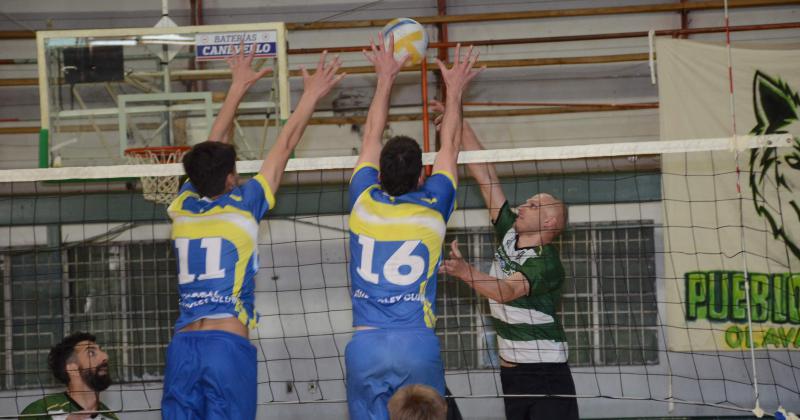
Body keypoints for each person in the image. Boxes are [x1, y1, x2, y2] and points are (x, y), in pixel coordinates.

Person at [160, 44, 344, 419]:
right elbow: (287, 142)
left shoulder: (183, 206)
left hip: (183, 345)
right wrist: (310, 95)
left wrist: (236, 87)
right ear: (231, 179)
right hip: (226, 345)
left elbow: (211, 146)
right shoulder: (245, 205)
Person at [344, 31, 483, 420]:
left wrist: (385, 77)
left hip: (366, 344)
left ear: (377, 174)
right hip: (416, 344)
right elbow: (451, 145)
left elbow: (371, 135)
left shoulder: (362, 200)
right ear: (422, 176)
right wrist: (454, 91)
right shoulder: (433, 206)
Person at [436, 109, 579, 420]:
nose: (522, 206)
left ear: (550, 221)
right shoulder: (510, 233)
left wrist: (465, 272)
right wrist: (456, 121)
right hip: (512, 375)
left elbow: (505, 291)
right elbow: (484, 173)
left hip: (546, 374)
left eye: (533, 205)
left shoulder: (546, 263)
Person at [20, 332, 117, 420]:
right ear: (72, 368)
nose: (105, 356)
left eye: (101, 350)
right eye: (91, 353)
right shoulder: (40, 411)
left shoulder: (110, 417)